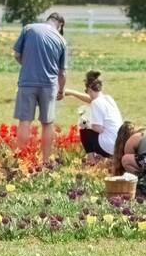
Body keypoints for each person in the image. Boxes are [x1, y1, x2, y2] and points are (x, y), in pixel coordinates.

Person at [13, 11, 69, 165]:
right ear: (60, 25)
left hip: (27, 82)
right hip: (49, 85)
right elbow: (62, 72)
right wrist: (61, 90)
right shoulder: (61, 40)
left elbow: (17, 55)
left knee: (25, 121)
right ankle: (45, 161)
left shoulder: (29, 29)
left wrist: (28, 66)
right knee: (47, 123)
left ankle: (22, 161)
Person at [62, 70, 123, 159]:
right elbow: (91, 99)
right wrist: (71, 92)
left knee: (83, 122)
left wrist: (89, 124)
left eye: (86, 91)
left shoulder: (96, 103)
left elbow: (98, 128)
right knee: (88, 122)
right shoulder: (108, 99)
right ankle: (99, 157)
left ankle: (91, 160)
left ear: (89, 89)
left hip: (108, 147)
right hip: (118, 146)